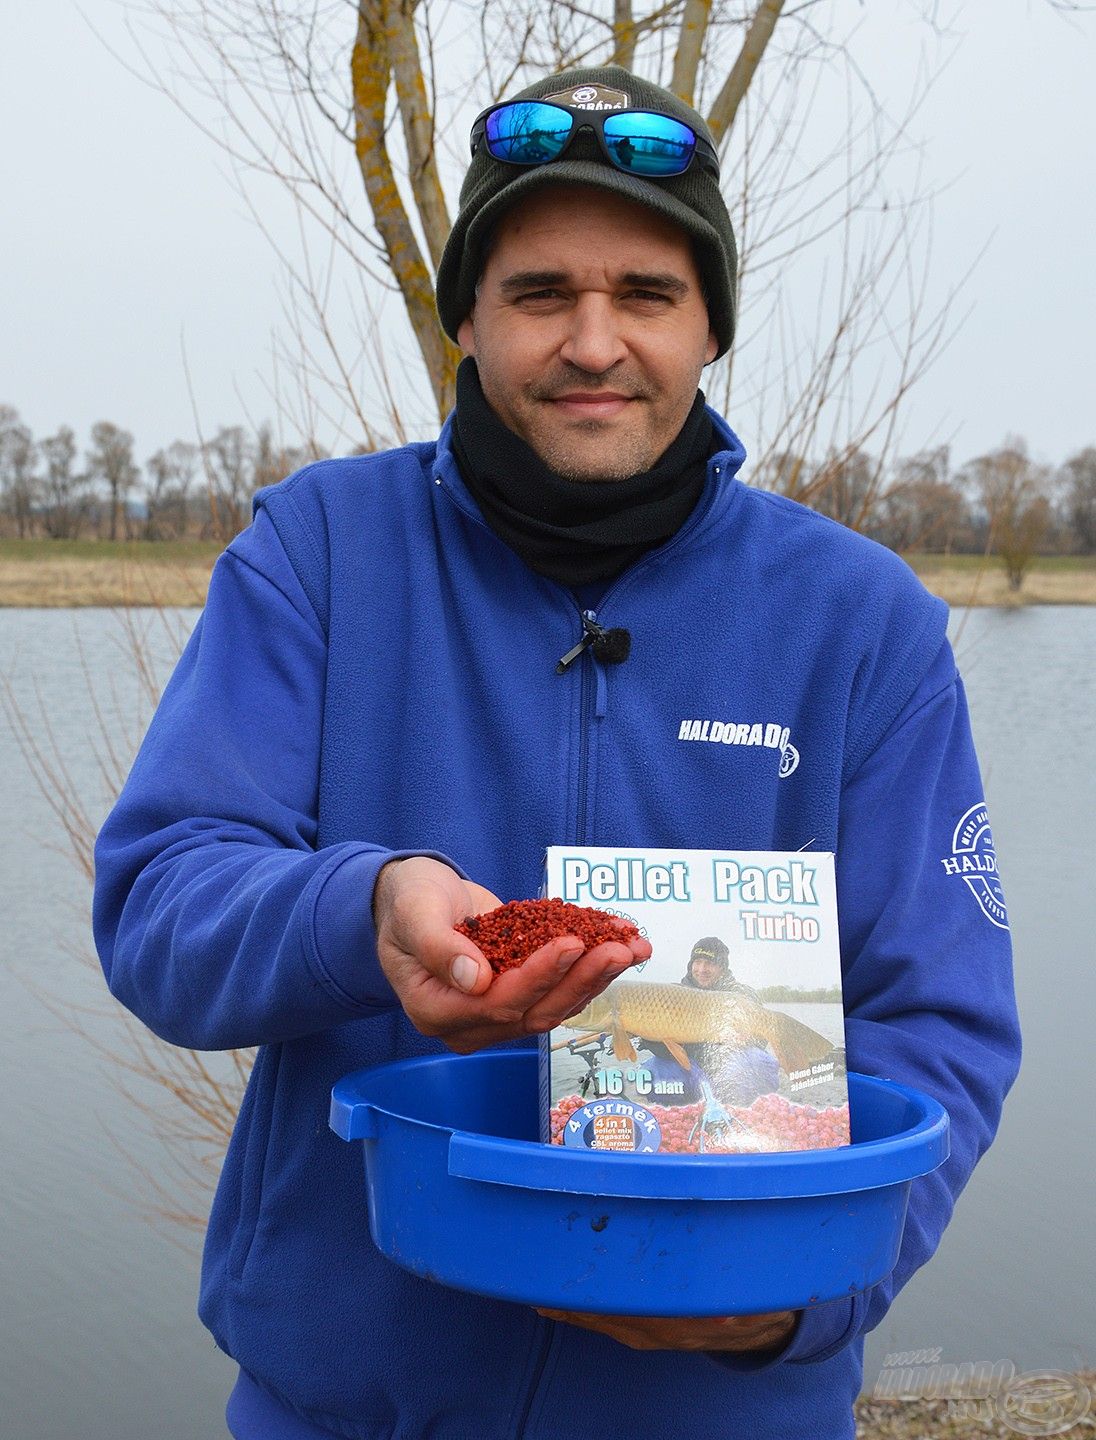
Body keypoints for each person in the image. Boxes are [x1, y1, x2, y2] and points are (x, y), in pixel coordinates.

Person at [93, 64, 1021, 1440]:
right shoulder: (317, 551)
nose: (595, 342)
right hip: (347, 1406)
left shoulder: (862, 622)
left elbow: (940, 1022)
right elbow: (162, 899)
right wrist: (362, 911)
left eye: (647, 294)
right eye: (539, 294)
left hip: (725, 1413)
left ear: (709, 325)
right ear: (469, 314)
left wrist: (795, 1303)